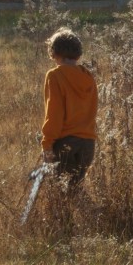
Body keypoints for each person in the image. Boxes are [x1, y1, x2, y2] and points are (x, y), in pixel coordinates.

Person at [42, 27, 98, 189]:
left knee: (63, 194)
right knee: (75, 191)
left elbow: (54, 114)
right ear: (78, 54)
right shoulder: (87, 76)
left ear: (54, 52)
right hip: (88, 143)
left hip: (66, 142)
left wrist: (47, 144)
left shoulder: (55, 76)